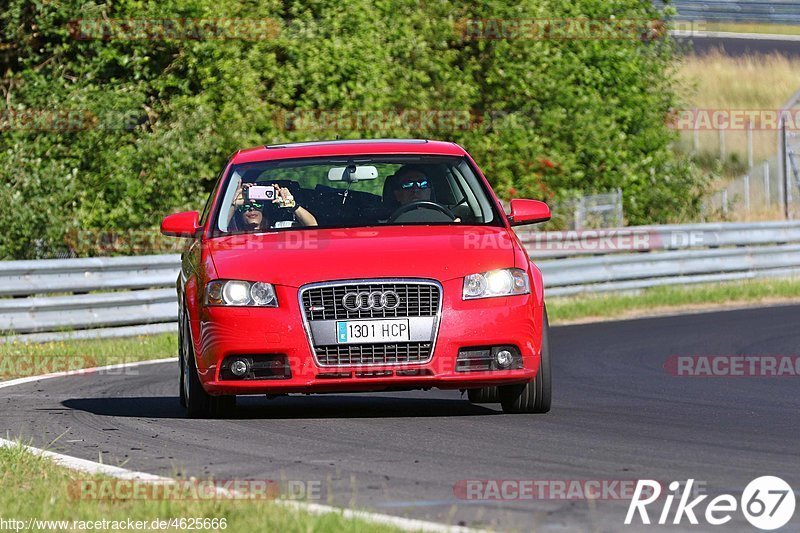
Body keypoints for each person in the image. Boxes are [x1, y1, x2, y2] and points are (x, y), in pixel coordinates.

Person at [228, 182, 317, 231]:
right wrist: (233, 205)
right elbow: (218, 229)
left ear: (264, 208)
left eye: (258, 203)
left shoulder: (279, 229)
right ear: (239, 212)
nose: (252, 208)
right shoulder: (232, 234)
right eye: (245, 206)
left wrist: (292, 206)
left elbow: (312, 227)